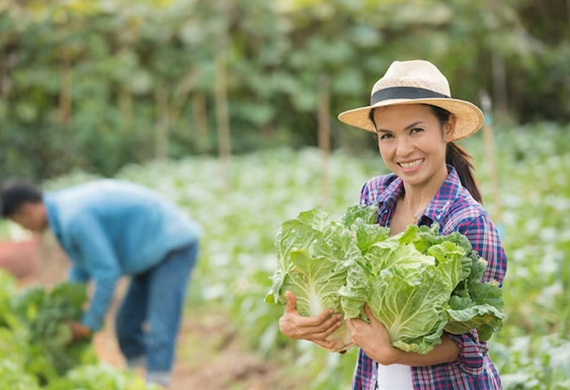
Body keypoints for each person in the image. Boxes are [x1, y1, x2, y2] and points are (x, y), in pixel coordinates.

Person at [278, 60, 507, 389]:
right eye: (387, 135)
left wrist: (391, 353)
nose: (402, 149)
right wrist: (303, 324)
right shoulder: (374, 196)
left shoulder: (468, 221)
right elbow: (355, 297)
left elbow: (471, 346)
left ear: (447, 128)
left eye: (416, 130)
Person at [0, 179, 201, 388]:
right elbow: (82, 266)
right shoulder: (61, 216)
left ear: (26, 211)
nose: (27, 230)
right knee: (126, 327)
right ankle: (139, 380)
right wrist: (67, 307)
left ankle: (158, 382)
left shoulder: (73, 218)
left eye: (20, 223)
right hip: (148, 251)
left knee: (160, 324)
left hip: (172, 245)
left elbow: (106, 272)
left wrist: (89, 324)